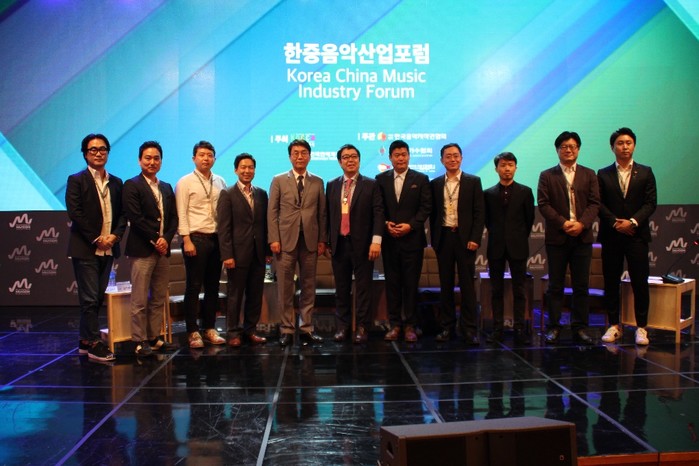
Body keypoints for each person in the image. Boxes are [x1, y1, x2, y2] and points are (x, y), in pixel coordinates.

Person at [66, 133, 127, 362]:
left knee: (97, 298)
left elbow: (123, 214)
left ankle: (84, 340)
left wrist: (115, 236)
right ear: (85, 154)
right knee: (90, 298)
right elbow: (75, 213)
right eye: (93, 150)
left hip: (109, 247)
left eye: (102, 149)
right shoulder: (76, 180)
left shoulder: (117, 182)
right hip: (86, 248)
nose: (98, 153)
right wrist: (96, 238)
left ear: (108, 152)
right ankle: (94, 343)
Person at [537, 131, 600, 345]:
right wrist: (564, 223)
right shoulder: (547, 175)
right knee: (556, 285)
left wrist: (581, 224)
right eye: (564, 146)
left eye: (572, 146)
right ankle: (554, 327)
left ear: (578, 149)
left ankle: (580, 327)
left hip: (582, 237)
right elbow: (544, 204)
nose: (568, 150)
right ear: (557, 150)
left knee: (581, 286)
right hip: (558, 237)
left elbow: (594, 203)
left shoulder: (589, 174)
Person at [597, 127, 657, 346]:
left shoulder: (646, 172)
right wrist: (615, 222)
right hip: (612, 235)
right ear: (612, 147)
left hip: (636, 236)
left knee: (639, 281)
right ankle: (614, 325)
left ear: (634, 146)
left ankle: (641, 327)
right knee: (611, 281)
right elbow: (598, 203)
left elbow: (650, 203)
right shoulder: (603, 174)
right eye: (620, 143)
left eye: (628, 143)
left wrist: (632, 222)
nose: (624, 147)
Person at [268, 139, 327, 346]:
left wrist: (322, 239)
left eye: (303, 153)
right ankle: (286, 329)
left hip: (310, 241)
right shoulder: (278, 180)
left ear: (309, 156)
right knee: (285, 287)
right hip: (285, 242)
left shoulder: (318, 181)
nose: (300, 156)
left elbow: (322, 213)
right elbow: (272, 212)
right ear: (290, 156)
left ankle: (306, 328)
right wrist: (274, 238)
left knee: (308, 286)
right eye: (295, 153)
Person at [122, 141, 179, 357]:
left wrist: (166, 239)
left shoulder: (166, 187)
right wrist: (157, 239)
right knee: (139, 300)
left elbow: (173, 218)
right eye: (147, 158)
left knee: (158, 298)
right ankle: (139, 340)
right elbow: (135, 218)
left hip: (162, 251)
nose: (152, 162)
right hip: (142, 250)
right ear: (139, 160)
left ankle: (154, 337)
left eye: (156, 158)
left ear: (161, 161)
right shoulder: (132, 185)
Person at [326, 144, 384, 343]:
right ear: (339, 162)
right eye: (345, 157)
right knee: (341, 289)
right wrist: (327, 240)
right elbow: (327, 215)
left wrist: (376, 241)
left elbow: (378, 214)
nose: (350, 160)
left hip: (364, 245)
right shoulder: (332, 185)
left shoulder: (371, 184)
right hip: (339, 244)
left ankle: (362, 327)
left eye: (353, 157)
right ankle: (343, 327)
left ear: (359, 160)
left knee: (363, 288)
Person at [375, 140, 431, 342]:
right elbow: (378, 207)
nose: (401, 158)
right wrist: (386, 224)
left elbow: (426, 207)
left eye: (404, 154)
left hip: (412, 240)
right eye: (397, 155)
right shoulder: (381, 179)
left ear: (409, 156)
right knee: (392, 284)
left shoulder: (421, 178)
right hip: (390, 240)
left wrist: (411, 225)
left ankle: (410, 325)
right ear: (390, 158)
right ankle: (395, 325)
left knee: (410, 284)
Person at [430, 143, 485, 345]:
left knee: (467, 285)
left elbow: (479, 212)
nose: (452, 159)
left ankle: (469, 329)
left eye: (455, 156)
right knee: (445, 285)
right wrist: (435, 240)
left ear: (461, 158)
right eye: (448, 156)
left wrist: (475, 238)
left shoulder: (473, 181)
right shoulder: (435, 183)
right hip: (444, 238)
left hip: (465, 239)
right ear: (441, 160)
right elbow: (433, 214)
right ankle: (447, 327)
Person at [175, 141, 227, 349]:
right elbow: (181, 212)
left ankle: (210, 328)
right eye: (202, 155)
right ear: (194, 158)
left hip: (216, 239)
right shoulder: (185, 182)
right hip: (195, 239)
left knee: (213, 287)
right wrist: (186, 239)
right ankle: (192, 331)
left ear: (214, 158)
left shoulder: (220, 181)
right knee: (194, 286)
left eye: (210, 155)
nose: (206, 158)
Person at [216, 153, 270, 347]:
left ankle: (250, 330)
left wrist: (267, 252)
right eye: (243, 167)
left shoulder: (261, 194)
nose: (247, 171)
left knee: (255, 294)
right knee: (235, 295)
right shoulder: (227, 194)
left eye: (250, 167)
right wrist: (227, 255)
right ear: (236, 170)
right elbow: (224, 228)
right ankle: (233, 333)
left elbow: (265, 225)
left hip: (258, 253)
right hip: (237, 255)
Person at [484, 152, 535, 345]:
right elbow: (487, 220)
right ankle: (497, 328)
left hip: (518, 246)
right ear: (496, 169)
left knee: (519, 290)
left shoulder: (525, 192)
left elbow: (529, 220)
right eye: (503, 165)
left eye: (511, 165)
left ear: (516, 167)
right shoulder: (488, 193)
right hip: (495, 246)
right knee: (496, 290)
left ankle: (519, 329)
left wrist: (517, 236)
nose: (507, 169)